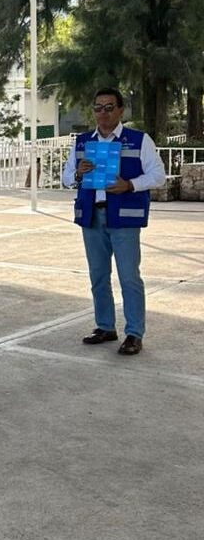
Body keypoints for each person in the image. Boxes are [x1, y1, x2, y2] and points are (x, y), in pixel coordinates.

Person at [61, 87, 166, 356]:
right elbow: (66, 178)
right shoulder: (83, 142)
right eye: (98, 107)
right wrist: (79, 173)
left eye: (109, 107)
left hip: (124, 219)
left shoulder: (139, 140)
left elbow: (158, 175)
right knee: (98, 276)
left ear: (121, 110)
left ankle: (134, 333)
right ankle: (105, 326)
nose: (103, 113)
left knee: (129, 277)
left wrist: (130, 185)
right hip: (91, 216)